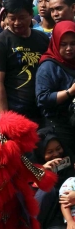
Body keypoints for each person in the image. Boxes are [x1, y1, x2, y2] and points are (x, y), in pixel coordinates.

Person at [0, 0, 49, 123]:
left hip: (40, 111)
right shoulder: (1, 42)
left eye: (22, 17)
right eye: (12, 18)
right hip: (14, 111)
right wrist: (5, 118)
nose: (17, 22)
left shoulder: (42, 39)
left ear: (31, 14)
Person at [36, 21, 75, 150]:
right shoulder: (48, 66)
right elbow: (43, 98)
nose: (69, 48)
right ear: (56, 43)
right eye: (63, 44)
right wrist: (70, 91)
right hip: (59, 126)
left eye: (73, 44)